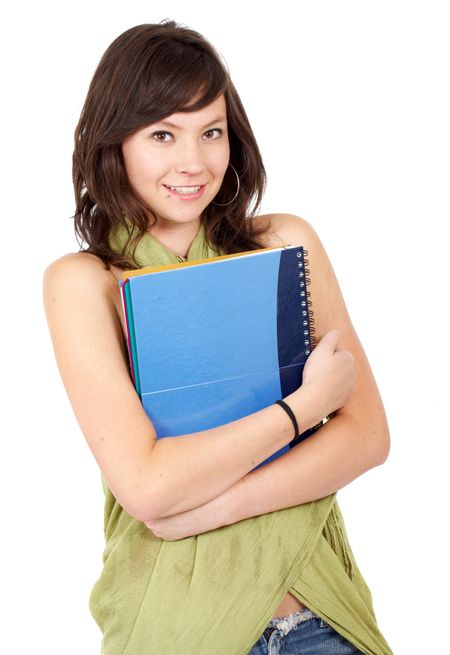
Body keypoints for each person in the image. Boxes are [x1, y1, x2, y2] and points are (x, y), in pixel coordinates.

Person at [42, 20, 394, 655]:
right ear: (114, 143)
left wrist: (209, 509)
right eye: (162, 134)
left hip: (321, 618)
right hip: (177, 626)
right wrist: (305, 410)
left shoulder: (285, 244)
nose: (193, 162)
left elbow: (367, 439)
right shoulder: (84, 283)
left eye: (211, 131)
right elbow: (147, 487)